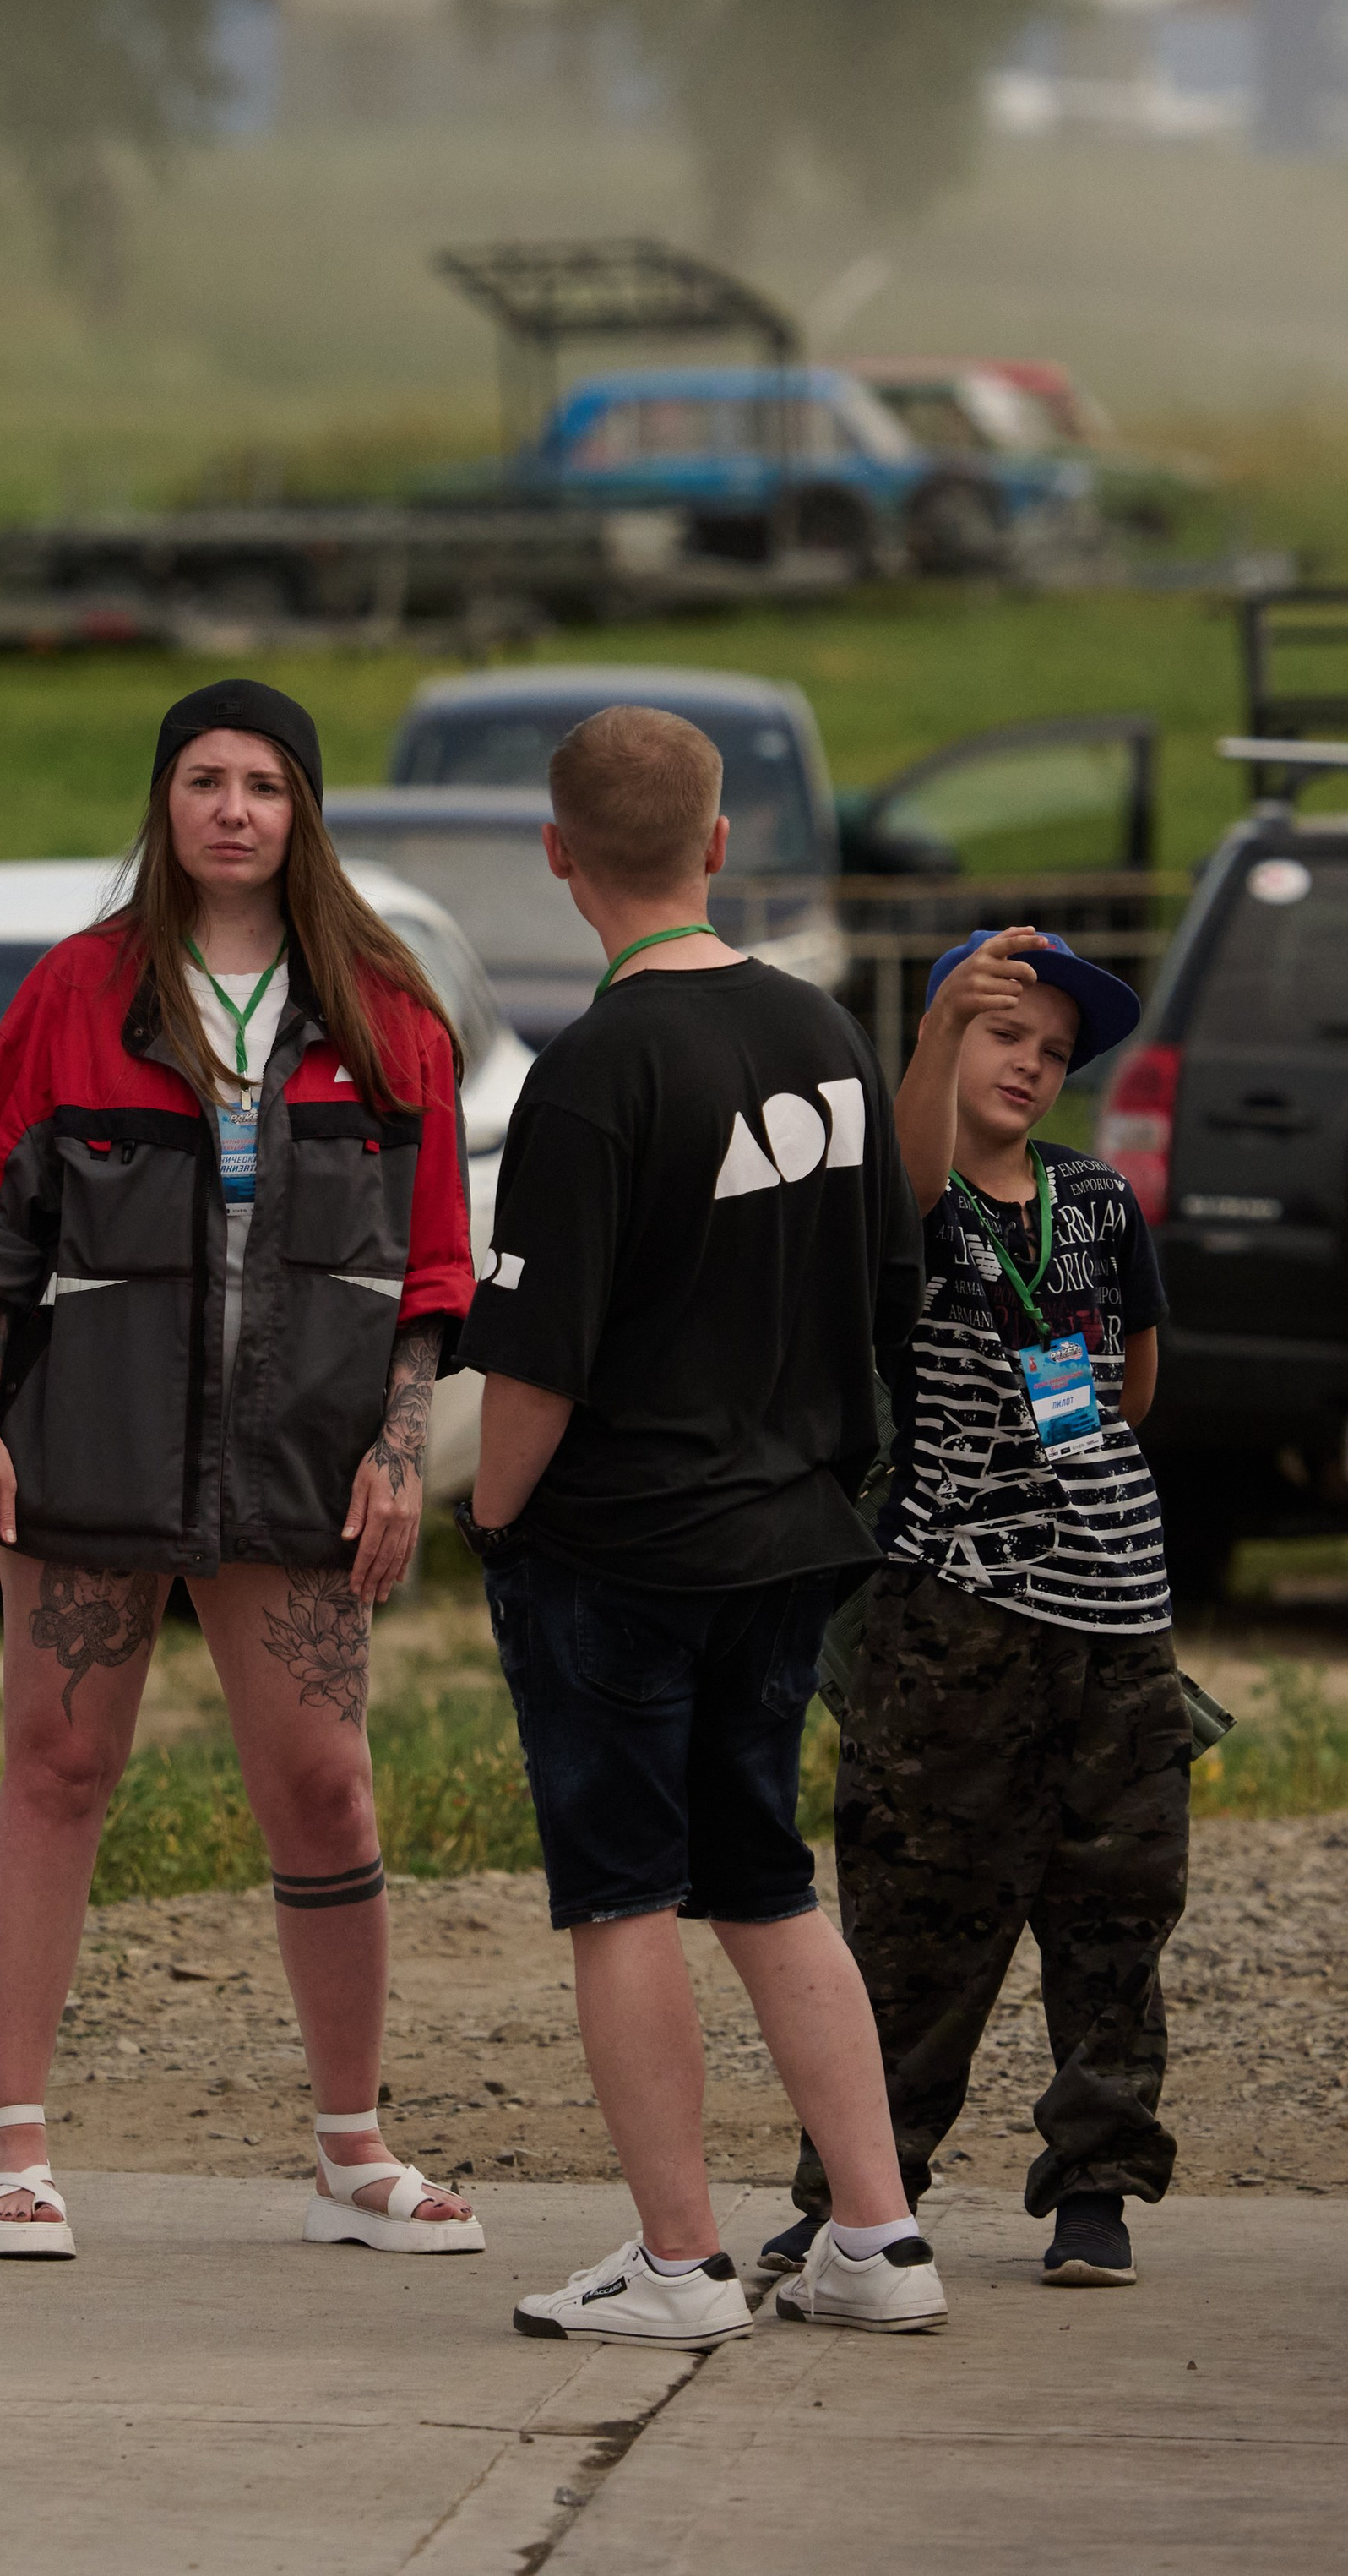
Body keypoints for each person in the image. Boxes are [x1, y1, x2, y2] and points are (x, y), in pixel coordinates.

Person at [0, 678, 481, 2263]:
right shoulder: (74, 996)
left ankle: (350, 2149)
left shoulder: (387, 1006)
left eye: (267, 785)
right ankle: (15, 2145)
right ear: (163, 802)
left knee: (325, 1784)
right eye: (206, 780)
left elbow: (435, 1267)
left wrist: (397, 1446)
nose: (234, 809)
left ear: (306, 811)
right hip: (89, 1442)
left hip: (305, 1453)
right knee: (57, 1767)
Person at [459, 703, 946, 2344]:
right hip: (792, 1535)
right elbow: (892, 1291)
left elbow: (532, 1361)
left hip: (623, 1547)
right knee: (763, 1878)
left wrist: (489, 1520)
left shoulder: (593, 1071)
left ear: (556, 856)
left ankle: (676, 2263)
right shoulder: (822, 1031)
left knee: (621, 1895)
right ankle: (875, 2236)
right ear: (718, 844)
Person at [772, 925, 1182, 2293]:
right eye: (1003, 1033)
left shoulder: (1101, 1201)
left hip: (1116, 1609)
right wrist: (940, 1023)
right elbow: (907, 1174)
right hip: (948, 1614)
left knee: (1116, 1905)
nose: (1030, 1063)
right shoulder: (917, 1203)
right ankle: (858, 2188)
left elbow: (1130, 1382)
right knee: (913, 1913)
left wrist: (1079, 1497)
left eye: (1053, 1049)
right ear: (944, 1040)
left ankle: (1098, 2183)